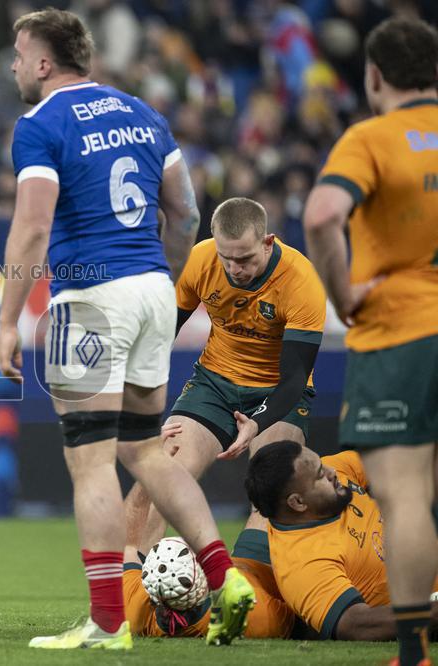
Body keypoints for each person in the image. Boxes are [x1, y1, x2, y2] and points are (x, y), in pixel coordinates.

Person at [0, 8, 254, 650]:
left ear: (45, 63)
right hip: (150, 293)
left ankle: (107, 623)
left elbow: (30, 226)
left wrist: (6, 319)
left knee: (89, 466)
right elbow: (187, 210)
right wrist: (160, 285)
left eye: (19, 55)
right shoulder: (143, 114)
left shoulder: (40, 123)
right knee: (142, 449)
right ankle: (226, 578)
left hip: (88, 299)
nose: (14, 66)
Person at [302, 16, 438, 665]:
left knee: (407, 492)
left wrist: (342, 296)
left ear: (375, 76)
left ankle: (412, 652)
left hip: (402, 334)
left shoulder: (373, 137)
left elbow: (324, 214)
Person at [124, 197, 326, 548]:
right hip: (214, 382)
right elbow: (159, 339)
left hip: (278, 389)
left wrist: (257, 423)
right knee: (160, 474)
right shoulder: (200, 259)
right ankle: (132, 589)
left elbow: (294, 378)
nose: (234, 269)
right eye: (226, 258)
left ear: (267, 242)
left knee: (273, 493)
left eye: (245, 259)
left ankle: (249, 590)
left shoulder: (300, 280)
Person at [246, 442, 438, 642]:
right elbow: (355, 623)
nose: (332, 471)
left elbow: (391, 463)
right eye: (320, 475)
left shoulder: (333, 475)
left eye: (321, 464)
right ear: (298, 502)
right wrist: (431, 613)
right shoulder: (303, 563)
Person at [122, 517, 298, 640]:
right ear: (201, 580)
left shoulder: (134, 607)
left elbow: (130, 547)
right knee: (267, 506)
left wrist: (151, 472)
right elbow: (303, 616)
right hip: (268, 570)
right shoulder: (253, 615)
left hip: (245, 566)